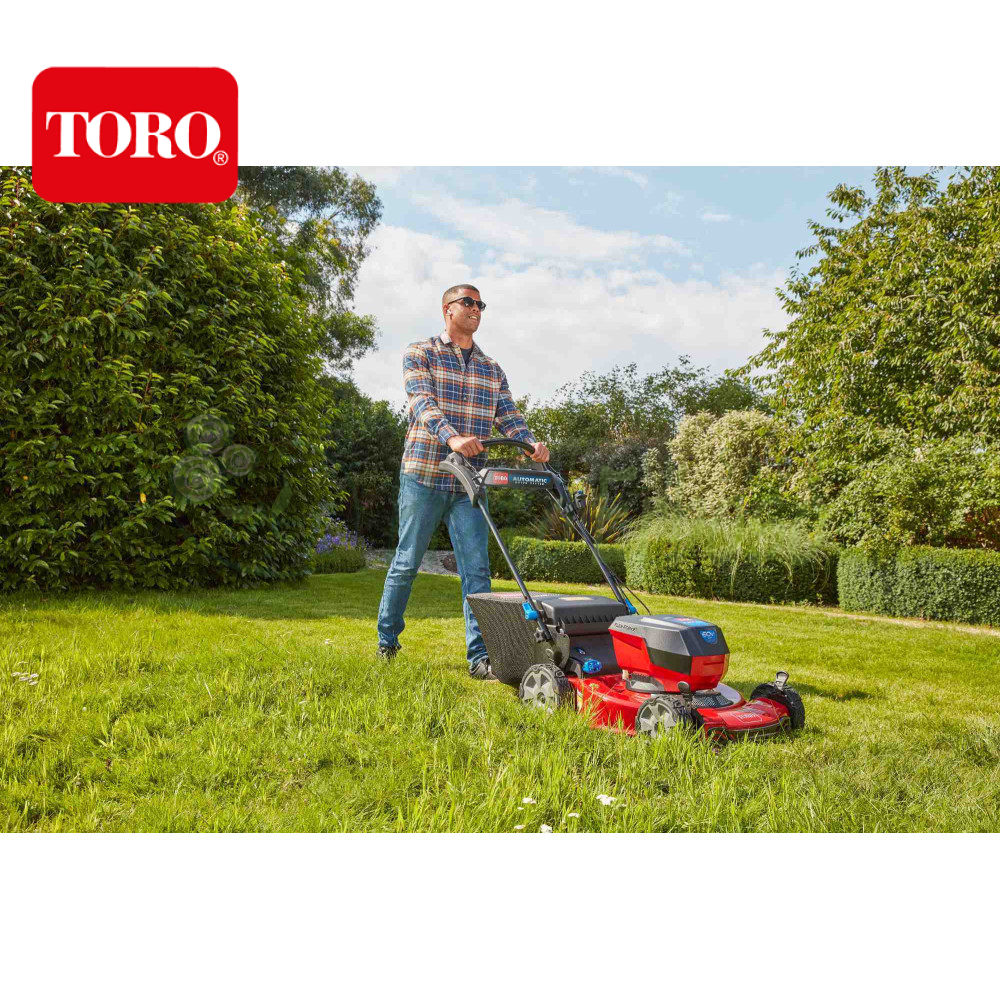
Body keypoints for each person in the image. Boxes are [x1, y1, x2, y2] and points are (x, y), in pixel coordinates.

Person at [376, 284, 550, 679]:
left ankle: (480, 659)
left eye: (480, 304)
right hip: (425, 474)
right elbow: (422, 402)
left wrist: (530, 444)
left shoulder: (491, 368)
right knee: (407, 562)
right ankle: (387, 641)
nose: (476, 309)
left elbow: (509, 413)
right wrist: (452, 437)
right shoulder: (420, 353)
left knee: (477, 571)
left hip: (469, 484)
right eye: (468, 302)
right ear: (447, 309)